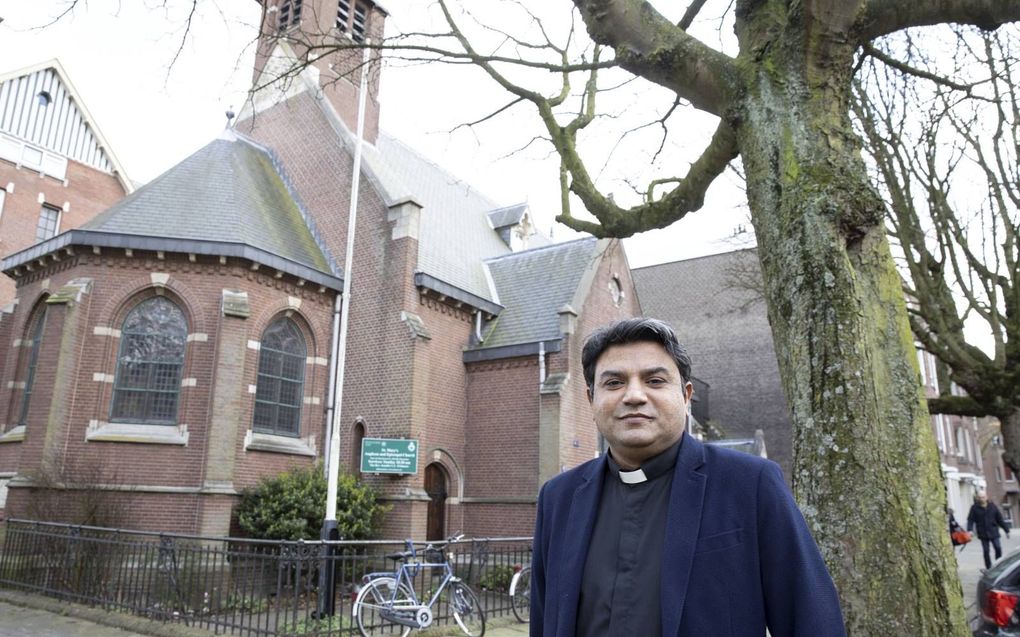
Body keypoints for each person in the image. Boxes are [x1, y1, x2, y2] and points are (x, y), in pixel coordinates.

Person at [530, 317, 846, 637]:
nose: (634, 395)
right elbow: (544, 620)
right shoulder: (559, 498)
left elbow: (810, 619)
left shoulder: (750, 485)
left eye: (654, 380)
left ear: (685, 396)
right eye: (614, 383)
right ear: (591, 399)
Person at [967, 492, 1011, 569]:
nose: (981, 499)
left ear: (986, 497)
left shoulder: (992, 506)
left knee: (998, 547)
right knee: (986, 551)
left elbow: (999, 519)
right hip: (983, 533)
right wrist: (969, 530)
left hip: (993, 531)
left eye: (983, 497)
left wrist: (1006, 530)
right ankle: (988, 567)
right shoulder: (974, 508)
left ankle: (998, 565)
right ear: (977, 498)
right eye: (980, 497)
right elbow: (970, 520)